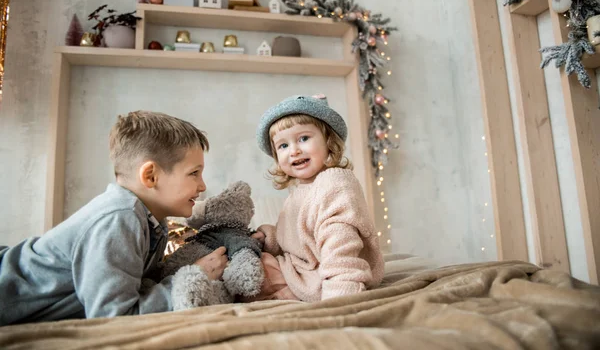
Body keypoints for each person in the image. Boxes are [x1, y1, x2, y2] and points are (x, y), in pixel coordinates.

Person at [0, 111, 228, 325]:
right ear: (150, 176)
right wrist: (191, 279)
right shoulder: (120, 218)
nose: (202, 185)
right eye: (194, 173)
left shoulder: (153, 222)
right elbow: (114, 316)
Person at [251, 94, 384, 302]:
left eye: (303, 138)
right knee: (249, 260)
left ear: (329, 142)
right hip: (306, 271)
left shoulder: (335, 185)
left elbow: (340, 246)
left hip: (329, 279)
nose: (294, 151)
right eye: (283, 146)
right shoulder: (299, 192)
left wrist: (339, 298)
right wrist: (270, 238)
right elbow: (300, 237)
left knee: (258, 270)